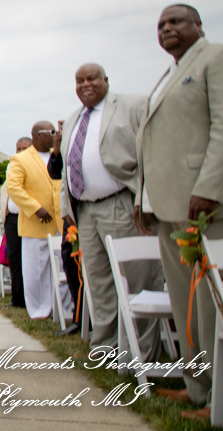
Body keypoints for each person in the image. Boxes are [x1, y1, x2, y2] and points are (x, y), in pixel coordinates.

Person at [136, 4, 223, 419]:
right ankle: (199, 389)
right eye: (160, 24)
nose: (167, 28)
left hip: (208, 208)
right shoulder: (167, 76)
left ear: (198, 25)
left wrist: (210, 188)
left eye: (175, 21)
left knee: (217, 305)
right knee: (187, 305)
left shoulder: (220, 57)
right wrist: (145, 199)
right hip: (169, 209)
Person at [56, 63, 165, 350]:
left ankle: (137, 353)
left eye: (92, 78)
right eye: (79, 80)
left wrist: (146, 201)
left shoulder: (132, 106)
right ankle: (105, 346)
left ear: (106, 80)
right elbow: (69, 167)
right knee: (98, 281)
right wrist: (67, 209)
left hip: (122, 203)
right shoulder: (75, 118)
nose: (85, 84)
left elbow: (154, 152)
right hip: (86, 211)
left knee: (136, 279)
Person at [5, 121, 63, 319]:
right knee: (36, 270)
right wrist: (36, 208)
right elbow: (14, 188)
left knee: (63, 268)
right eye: (51, 132)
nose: (55, 135)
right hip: (36, 223)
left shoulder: (59, 154)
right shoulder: (20, 159)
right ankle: (39, 309)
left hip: (61, 222)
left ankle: (64, 309)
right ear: (37, 135)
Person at [0, 137, 31, 308]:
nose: (20, 152)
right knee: (14, 257)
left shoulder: (35, 165)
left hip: (29, 217)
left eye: (24, 148)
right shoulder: (12, 165)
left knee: (29, 257)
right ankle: (17, 297)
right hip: (12, 217)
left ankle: (30, 298)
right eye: (18, 149)